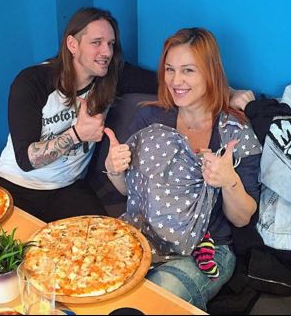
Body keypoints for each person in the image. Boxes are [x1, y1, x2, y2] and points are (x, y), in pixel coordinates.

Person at [103, 27, 262, 312]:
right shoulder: (149, 119)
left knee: (150, 303)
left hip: (206, 251)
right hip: (141, 238)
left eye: (188, 70)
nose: (176, 81)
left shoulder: (235, 132)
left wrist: (229, 181)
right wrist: (114, 169)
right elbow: (130, 191)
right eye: (170, 70)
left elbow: (242, 218)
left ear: (210, 73)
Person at [0, 7, 157, 222]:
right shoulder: (32, 81)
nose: (107, 52)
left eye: (110, 43)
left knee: (106, 238)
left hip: (68, 188)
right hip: (16, 184)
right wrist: (77, 134)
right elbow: (26, 160)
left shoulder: (111, 76)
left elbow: (166, 83)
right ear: (72, 44)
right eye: (96, 42)